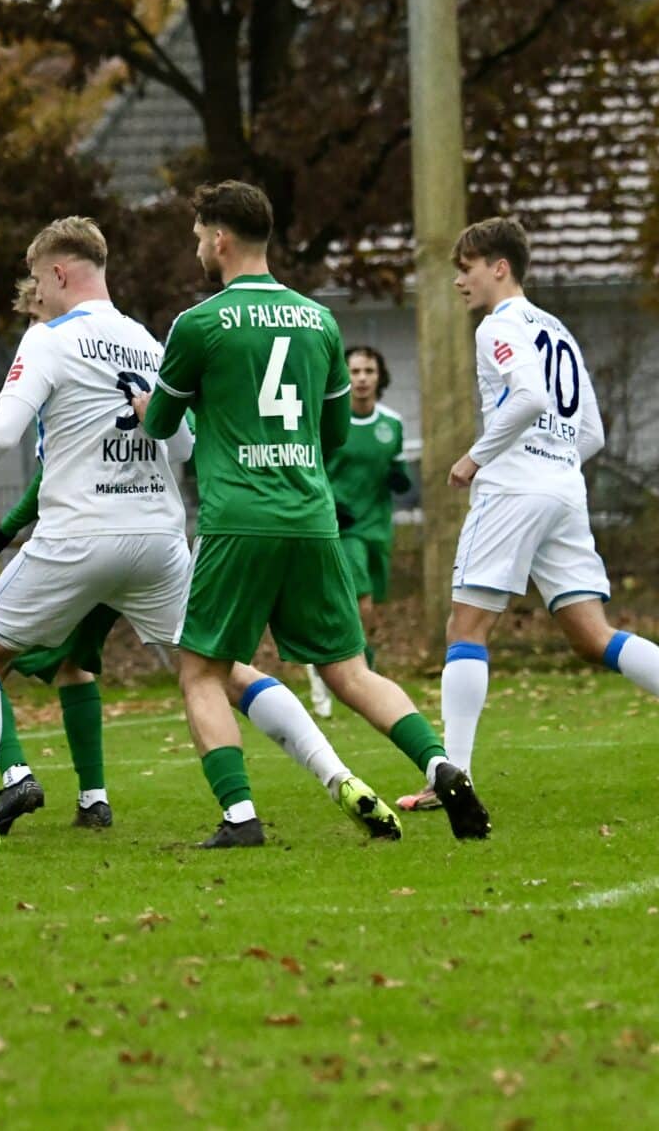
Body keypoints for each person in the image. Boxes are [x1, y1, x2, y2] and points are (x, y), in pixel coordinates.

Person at [134, 181, 469, 845]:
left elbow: (162, 426)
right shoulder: (320, 321)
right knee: (351, 671)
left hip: (238, 519)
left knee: (201, 671)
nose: (197, 248)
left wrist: (165, 407)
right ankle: (440, 764)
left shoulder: (198, 324)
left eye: (199, 237)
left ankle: (239, 817)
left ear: (220, 240)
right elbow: (336, 433)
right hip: (313, 518)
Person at [403, 216, 659, 814]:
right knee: (592, 635)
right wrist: (554, 461)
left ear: (499, 267)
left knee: (466, 627)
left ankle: (454, 779)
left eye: (466, 268)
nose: (459, 280)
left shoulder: (497, 325)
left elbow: (530, 397)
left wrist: (477, 457)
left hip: (514, 490)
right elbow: (592, 433)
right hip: (563, 488)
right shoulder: (556, 329)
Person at [0, 217, 197, 849]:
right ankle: (333, 777)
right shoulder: (150, 343)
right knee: (216, 669)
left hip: (80, 535)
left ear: (56, 272)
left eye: (36, 279)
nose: (36, 294)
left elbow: (1, 435)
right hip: (157, 535)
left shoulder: (49, 338)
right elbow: (184, 447)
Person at [0, 278, 123, 835]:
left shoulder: (56, 355)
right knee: (73, 665)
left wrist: (6, 529)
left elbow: (43, 469)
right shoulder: (124, 351)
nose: (34, 328)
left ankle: (16, 775)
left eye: (37, 314)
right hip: (142, 540)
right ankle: (94, 799)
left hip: (80, 544)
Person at [305, 346, 412, 716]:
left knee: (370, 607)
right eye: (355, 371)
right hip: (340, 526)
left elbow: (397, 466)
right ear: (344, 376)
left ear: (380, 376)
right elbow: (313, 466)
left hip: (377, 527)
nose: (362, 378)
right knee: (361, 602)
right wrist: (330, 503)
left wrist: (400, 478)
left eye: (369, 371)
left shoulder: (392, 423)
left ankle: (326, 660)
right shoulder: (331, 420)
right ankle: (358, 674)